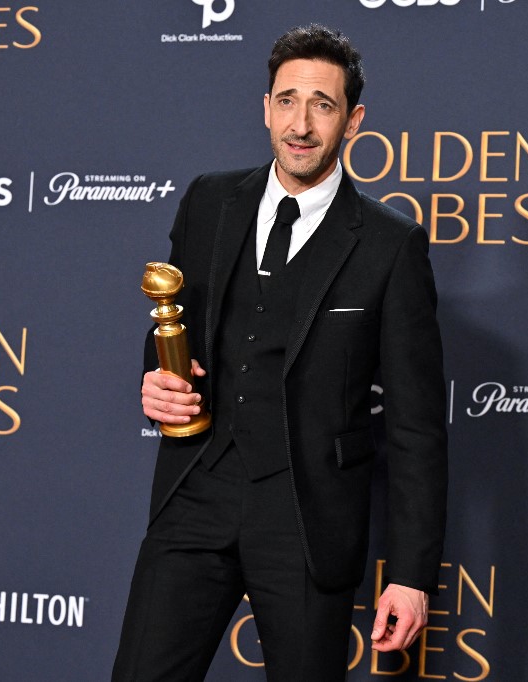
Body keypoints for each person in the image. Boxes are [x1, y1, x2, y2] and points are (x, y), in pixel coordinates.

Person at [113, 24, 448, 682]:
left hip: (306, 515)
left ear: (352, 121)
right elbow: (172, 326)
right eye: (287, 101)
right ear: (265, 107)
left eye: (322, 105)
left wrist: (411, 575)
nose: (301, 124)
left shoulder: (389, 245)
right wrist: (156, 379)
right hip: (196, 490)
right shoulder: (210, 201)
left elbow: (415, 426)